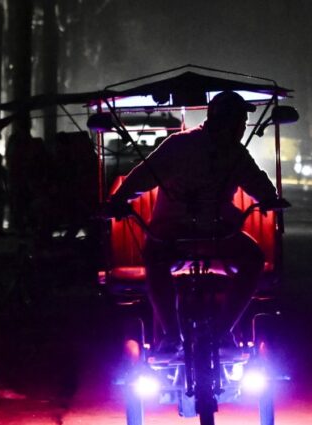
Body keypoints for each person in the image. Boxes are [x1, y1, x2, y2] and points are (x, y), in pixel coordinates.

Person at [107, 91, 285, 354]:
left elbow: (257, 182)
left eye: (243, 123)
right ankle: (172, 334)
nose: (242, 128)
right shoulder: (180, 145)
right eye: (240, 122)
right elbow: (143, 177)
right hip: (173, 235)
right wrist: (119, 200)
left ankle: (222, 331)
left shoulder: (235, 154)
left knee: (254, 258)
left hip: (218, 234)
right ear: (225, 121)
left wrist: (271, 199)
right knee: (155, 257)